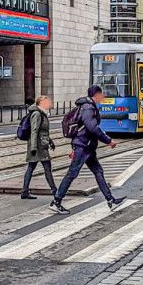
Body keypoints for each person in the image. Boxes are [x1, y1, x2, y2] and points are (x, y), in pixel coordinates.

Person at [51, 85, 120, 214]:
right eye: (101, 95)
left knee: (98, 171)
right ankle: (56, 201)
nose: (103, 97)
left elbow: (83, 128)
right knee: (72, 173)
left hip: (87, 146)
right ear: (96, 95)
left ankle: (110, 200)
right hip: (83, 147)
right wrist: (108, 140)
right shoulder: (88, 108)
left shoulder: (88, 106)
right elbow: (92, 128)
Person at [21, 95, 58, 200]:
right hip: (38, 147)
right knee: (47, 168)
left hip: (41, 145)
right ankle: (55, 192)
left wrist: (50, 141)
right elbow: (34, 131)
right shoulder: (37, 114)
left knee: (32, 168)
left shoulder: (42, 114)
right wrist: (33, 148)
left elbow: (43, 131)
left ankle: (25, 191)